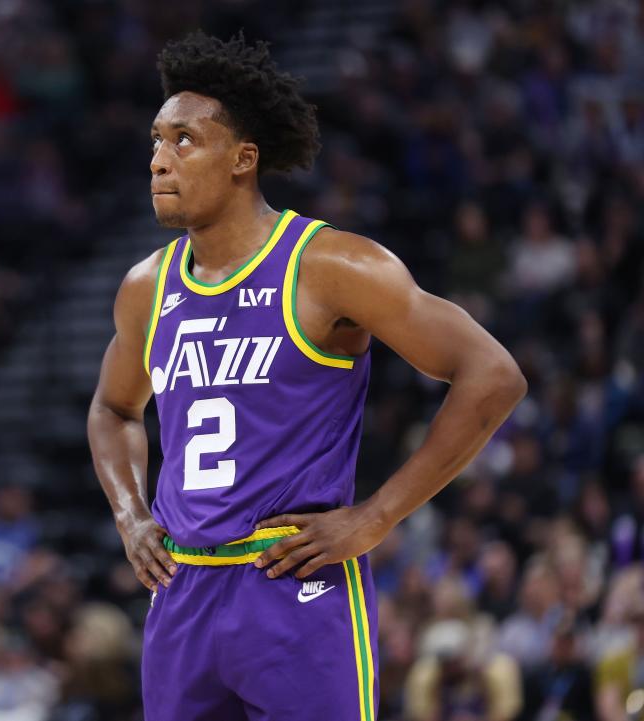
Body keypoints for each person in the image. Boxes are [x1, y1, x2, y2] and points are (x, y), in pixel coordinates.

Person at [87, 31, 527, 721]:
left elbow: (492, 375)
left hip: (294, 584)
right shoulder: (146, 287)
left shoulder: (332, 266)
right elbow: (113, 410)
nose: (158, 161)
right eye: (155, 140)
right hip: (183, 589)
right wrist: (130, 517)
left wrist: (379, 516)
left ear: (243, 159)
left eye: (182, 141)